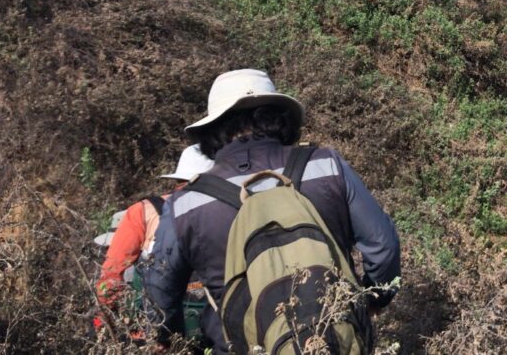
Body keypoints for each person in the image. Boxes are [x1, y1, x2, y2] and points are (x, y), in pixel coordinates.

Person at [144, 69, 401, 354]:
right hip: (337, 339)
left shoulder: (186, 204)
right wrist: (374, 298)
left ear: (210, 131)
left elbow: (158, 293)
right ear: (281, 118)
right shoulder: (327, 165)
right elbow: (383, 245)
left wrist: (171, 340)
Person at [94, 144, 214, 334]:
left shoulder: (144, 211)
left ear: (179, 178)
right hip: (219, 326)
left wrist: (106, 326)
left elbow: (111, 277)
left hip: (158, 329)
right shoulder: (232, 207)